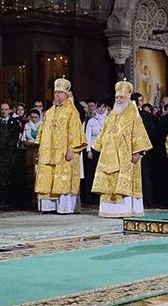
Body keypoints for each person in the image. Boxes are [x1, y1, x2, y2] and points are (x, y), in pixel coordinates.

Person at [92, 81, 152, 216]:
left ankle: (124, 210)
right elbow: (104, 132)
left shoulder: (134, 115)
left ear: (128, 98)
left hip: (126, 156)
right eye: (117, 97)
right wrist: (100, 146)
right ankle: (108, 210)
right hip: (108, 156)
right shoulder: (112, 115)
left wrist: (138, 152)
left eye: (121, 97)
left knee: (124, 183)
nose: (118, 100)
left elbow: (139, 134)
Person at [34, 78, 86, 214]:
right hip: (48, 152)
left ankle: (65, 207)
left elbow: (75, 132)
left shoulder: (72, 111)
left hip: (63, 152)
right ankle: (49, 206)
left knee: (63, 177)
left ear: (66, 95)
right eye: (55, 92)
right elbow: (42, 130)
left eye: (60, 93)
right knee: (48, 176)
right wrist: (40, 146)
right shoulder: (50, 112)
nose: (56, 95)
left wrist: (72, 149)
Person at [83, 101, 107, 205]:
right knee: (92, 173)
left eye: (103, 107)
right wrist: (88, 150)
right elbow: (87, 136)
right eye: (99, 107)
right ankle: (90, 198)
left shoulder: (108, 120)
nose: (101, 109)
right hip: (93, 149)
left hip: (105, 150)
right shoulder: (92, 121)